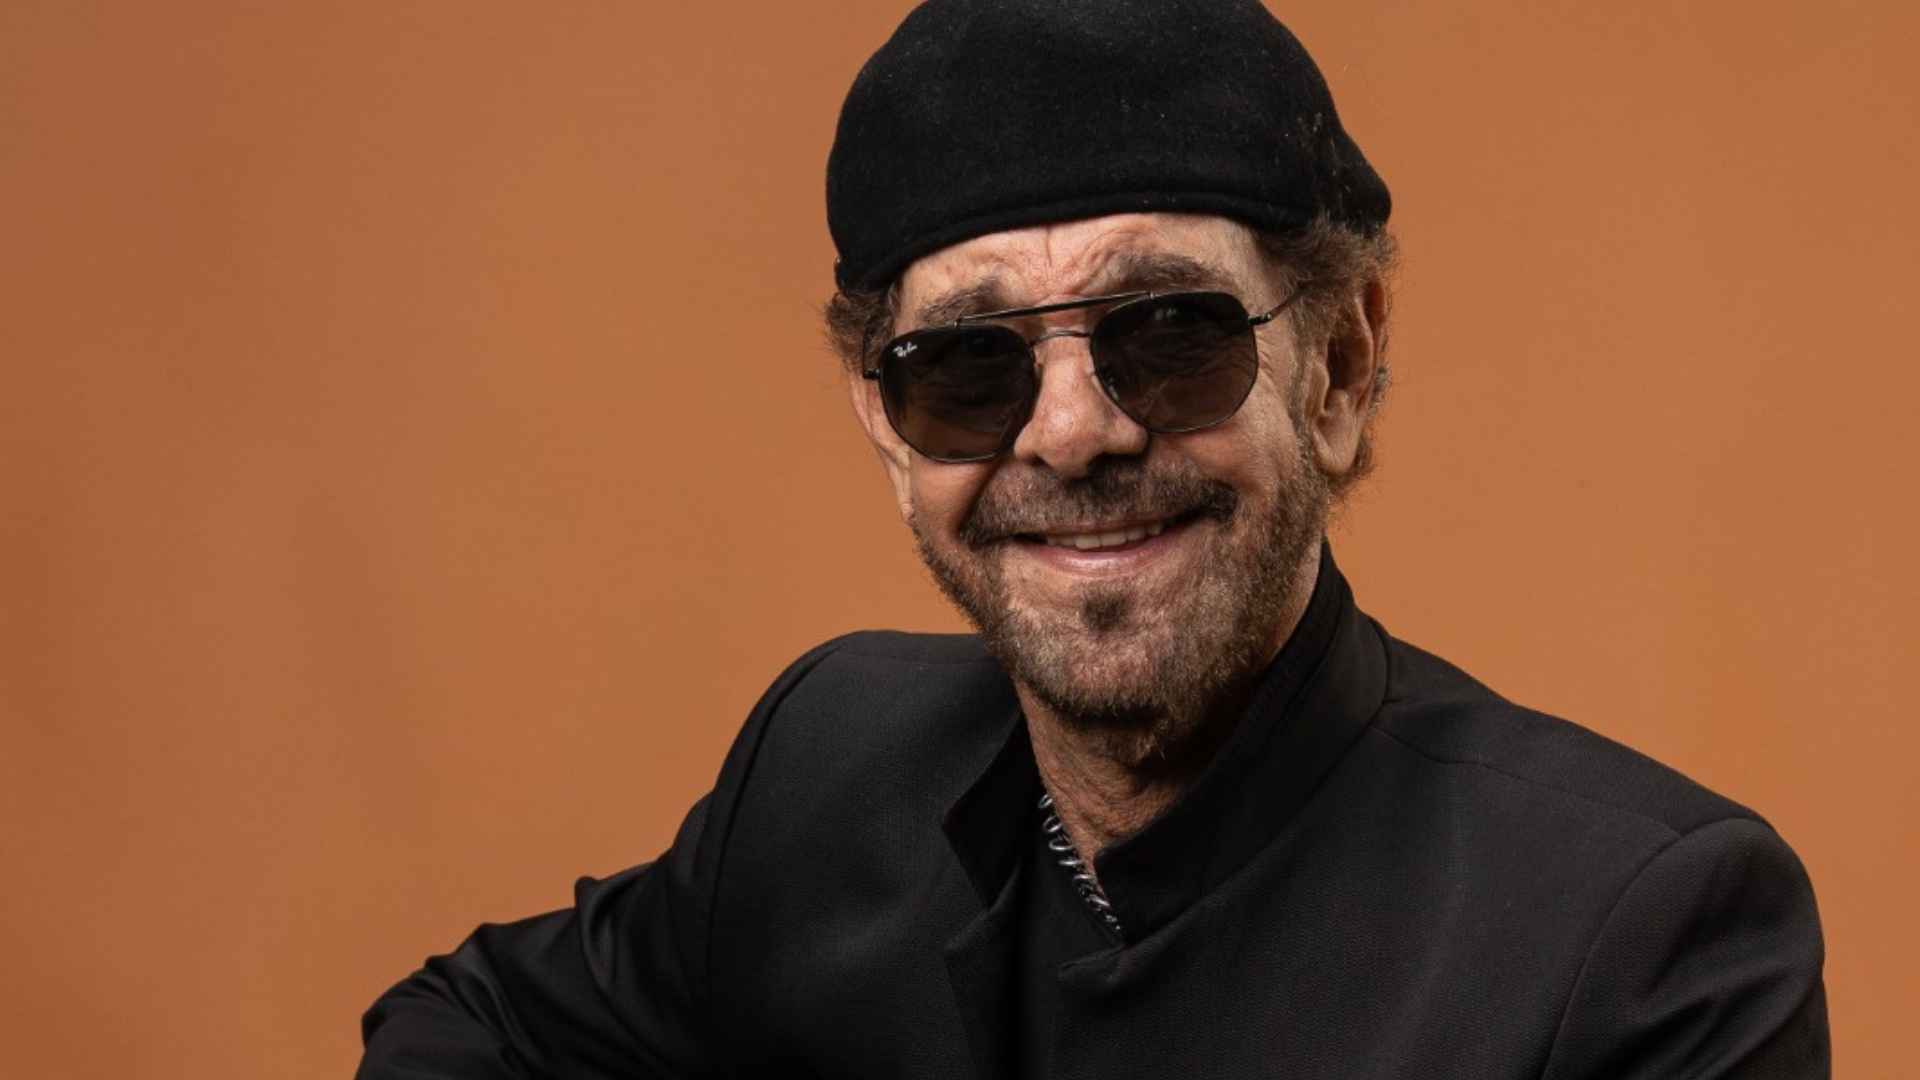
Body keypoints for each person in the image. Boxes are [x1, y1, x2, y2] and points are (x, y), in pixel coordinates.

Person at [357, 2, 1828, 1076]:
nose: (1069, 434)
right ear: (887, 428)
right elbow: (465, 1029)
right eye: (967, 367)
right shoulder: (826, 769)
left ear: (1337, 367)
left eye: (1170, 333)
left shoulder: (1642, 938)